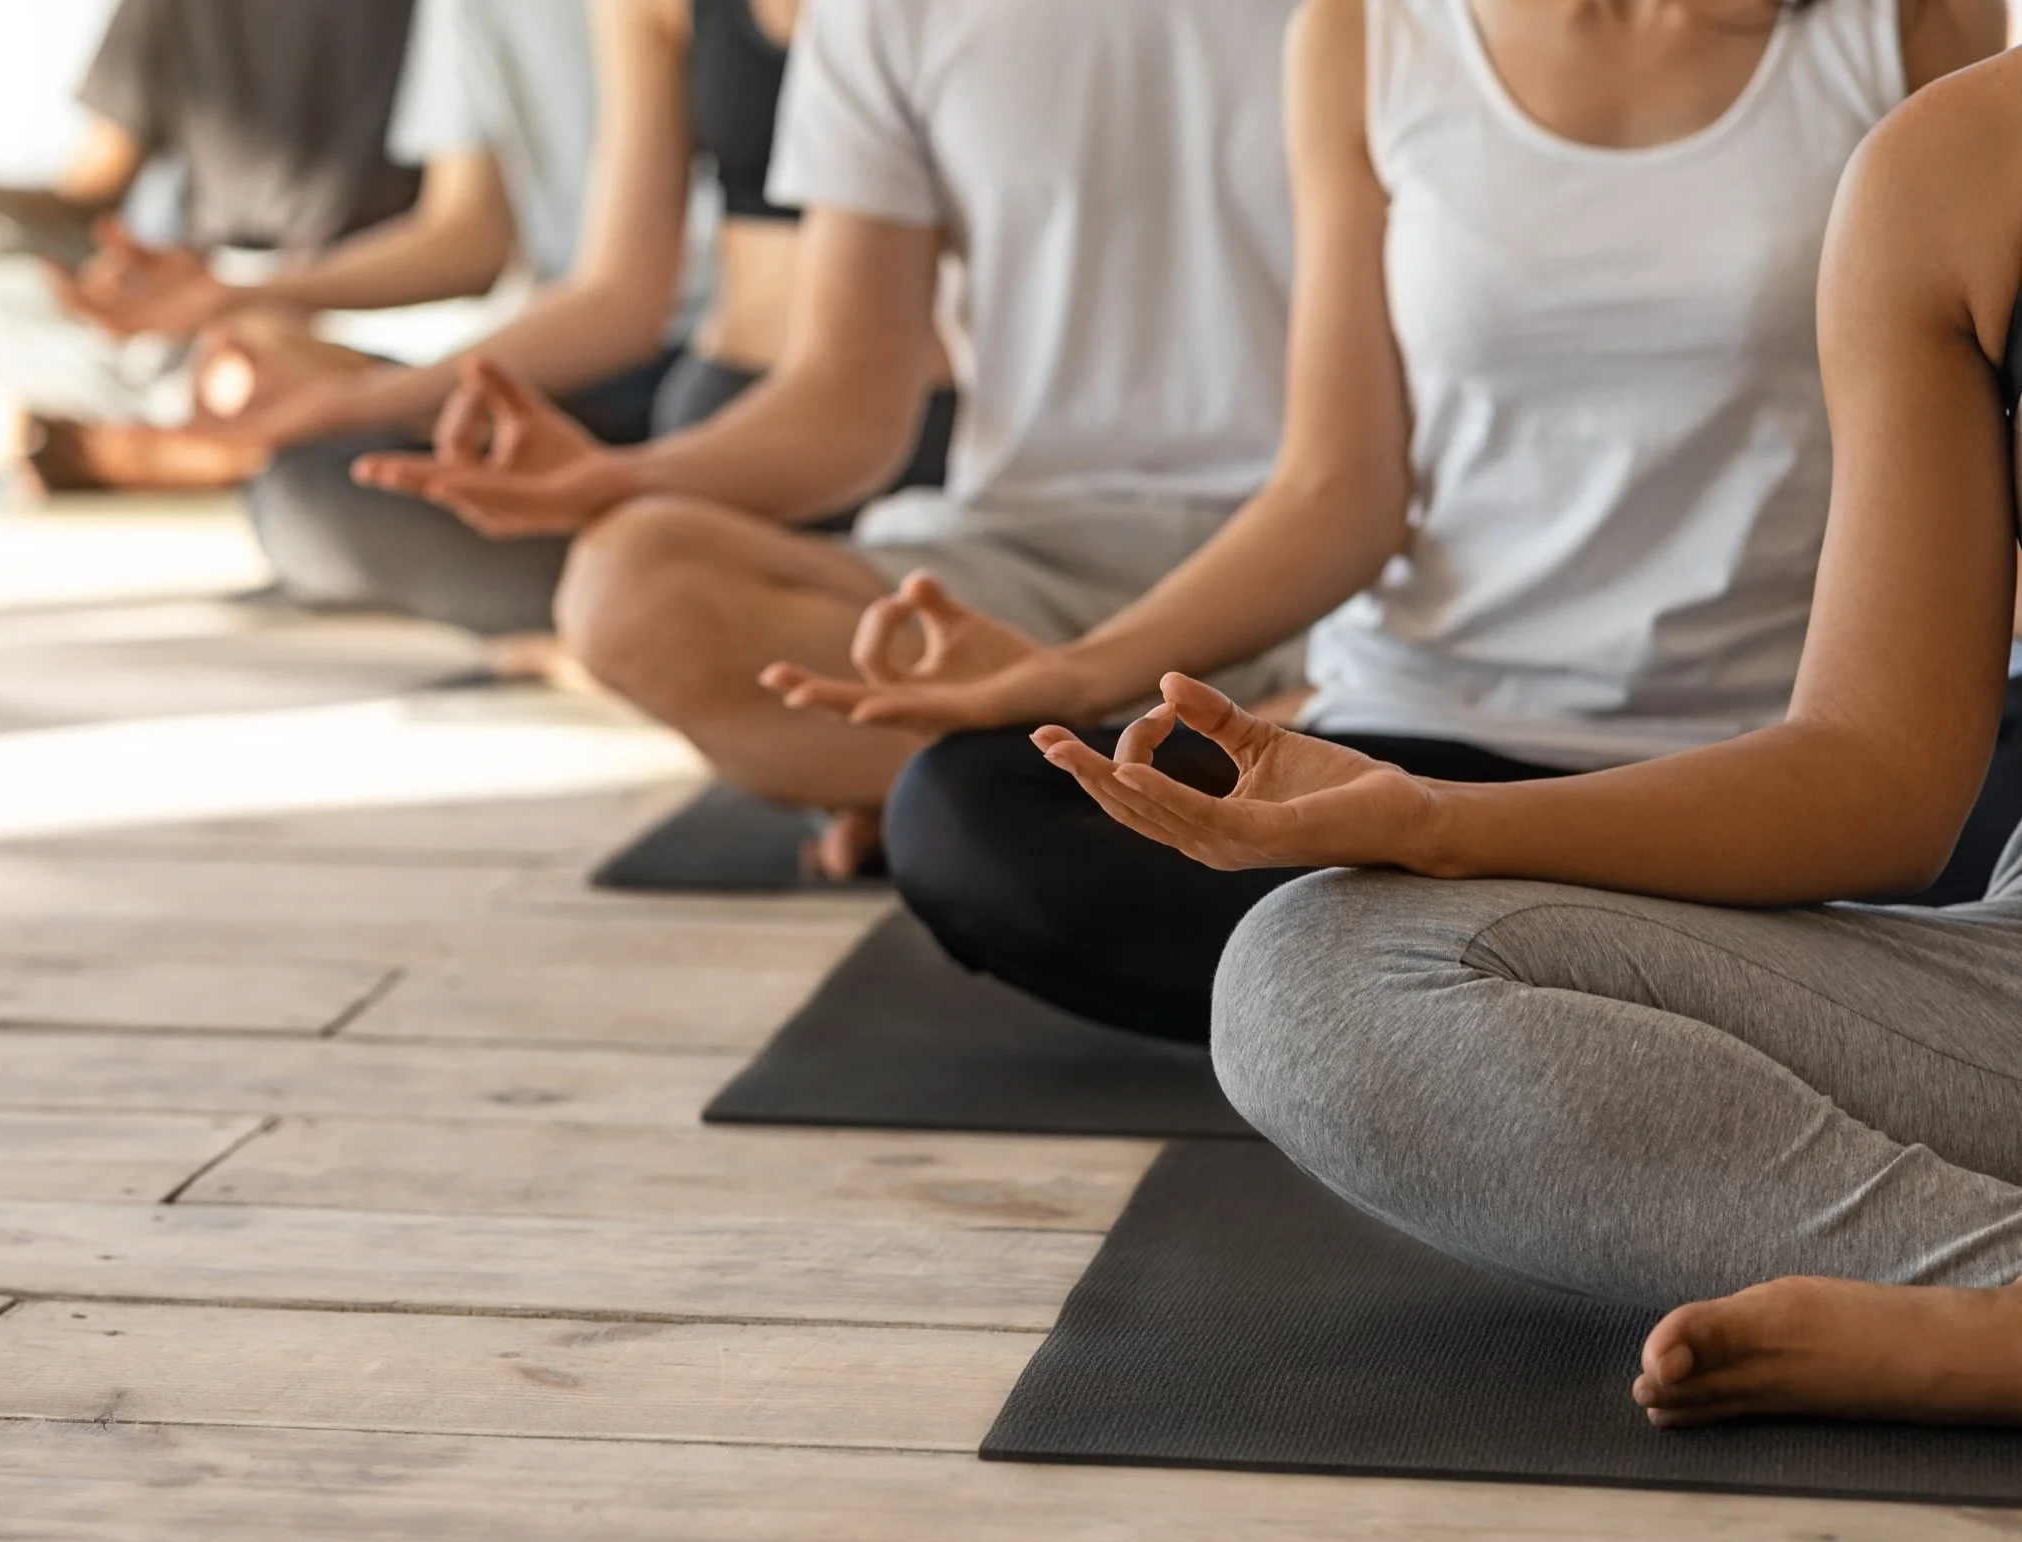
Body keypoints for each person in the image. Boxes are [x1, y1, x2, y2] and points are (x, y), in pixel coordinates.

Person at [1033, 41, 2022, 1430]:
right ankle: (1990, 1296)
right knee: (1310, 974)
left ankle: (1972, 1331)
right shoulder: (1953, 172)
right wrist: (1426, 819)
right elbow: (1878, 774)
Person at [768, 0, 2006, 1030]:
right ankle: (1594, 985)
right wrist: (1072, 674)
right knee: (968, 810)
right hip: (1427, 735)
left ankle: (1491, 983)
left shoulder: (1905, 36)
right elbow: (1338, 493)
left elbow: (1902, 734)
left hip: (1761, 775)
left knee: (1987, 850)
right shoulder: (1370, 31)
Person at [363, 0, 1310, 875]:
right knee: (633, 584)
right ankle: (1209, 769)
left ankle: (1054, 786)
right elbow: (843, 405)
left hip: (1344, 551)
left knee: (972, 820)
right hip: (1027, 557)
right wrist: (611, 477)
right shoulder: (874, 15)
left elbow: (1377, 467)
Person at [201, 0, 954, 642]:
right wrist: (352, 403)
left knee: (652, 582)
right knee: (316, 490)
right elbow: (614, 296)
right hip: (714, 405)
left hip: (902, 429)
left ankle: (670, 626)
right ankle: (678, 622)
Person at [0, 0, 423, 492]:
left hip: (400, 292)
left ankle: (182, 440)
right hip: (208, 301)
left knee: (286, 387)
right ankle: (231, 422)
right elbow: (94, 189)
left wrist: (269, 300)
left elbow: (470, 232)